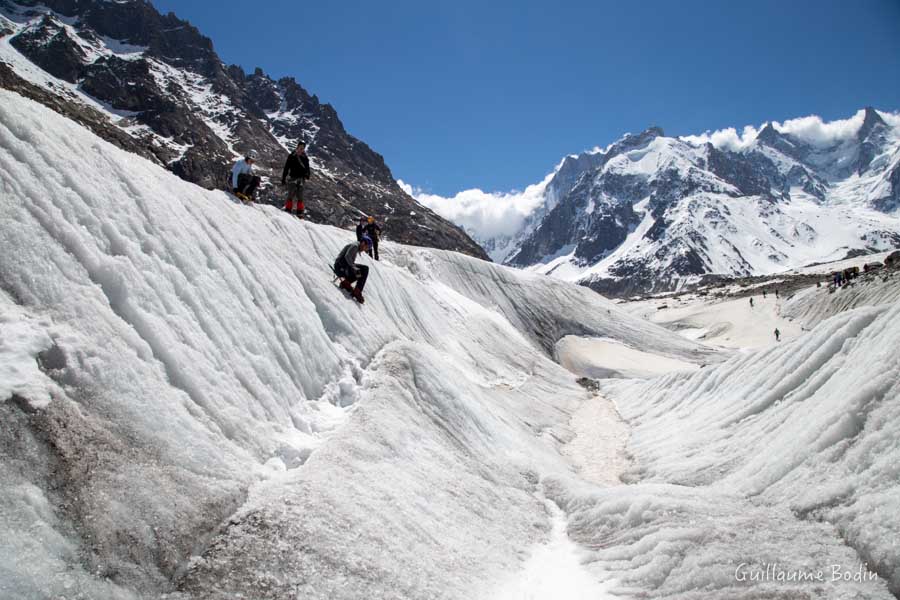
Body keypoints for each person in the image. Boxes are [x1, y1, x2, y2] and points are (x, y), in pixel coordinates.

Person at [333, 236, 371, 303]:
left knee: (360, 272)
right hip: (340, 266)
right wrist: (353, 267)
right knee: (364, 269)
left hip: (341, 267)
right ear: (363, 243)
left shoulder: (356, 246)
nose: (365, 249)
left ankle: (346, 283)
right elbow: (347, 256)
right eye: (366, 247)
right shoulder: (355, 246)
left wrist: (354, 268)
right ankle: (357, 291)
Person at [281, 142, 311, 218]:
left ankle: (299, 212)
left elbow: (307, 168)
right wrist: (283, 178)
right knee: (290, 194)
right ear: (297, 147)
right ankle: (288, 209)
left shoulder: (305, 158)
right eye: (300, 147)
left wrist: (307, 175)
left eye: (303, 148)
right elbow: (286, 167)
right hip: (293, 178)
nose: (301, 149)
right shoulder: (291, 156)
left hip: (301, 179)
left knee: (300, 196)